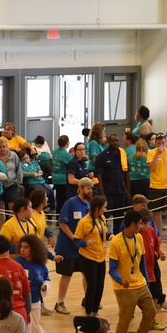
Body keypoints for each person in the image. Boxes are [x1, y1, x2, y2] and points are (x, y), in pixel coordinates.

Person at [108, 210, 158, 333]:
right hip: (124, 287)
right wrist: (120, 279)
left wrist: (147, 282)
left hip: (140, 284)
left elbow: (141, 263)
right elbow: (111, 269)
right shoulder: (116, 242)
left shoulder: (138, 238)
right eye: (140, 224)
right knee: (125, 319)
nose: (142, 227)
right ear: (132, 224)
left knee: (151, 313)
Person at [53, 177, 92, 314]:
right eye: (87, 188)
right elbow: (62, 223)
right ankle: (60, 303)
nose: (90, 190)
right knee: (66, 275)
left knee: (86, 273)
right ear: (80, 189)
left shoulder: (88, 205)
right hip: (67, 247)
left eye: (91, 188)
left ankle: (88, 299)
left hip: (81, 248)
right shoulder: (70, 203)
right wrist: (73, 237)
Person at [73, 195, 110, 316]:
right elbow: (76, 240)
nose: (105, 209)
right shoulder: (84, 222)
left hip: (101, 256)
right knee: (92, 285)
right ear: (97, 208)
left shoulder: (102, 218)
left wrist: (110, 235)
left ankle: (95, 311)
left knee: (100, 285)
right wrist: (86, 243)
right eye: (104, 207)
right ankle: (88, 312)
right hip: (88, 257)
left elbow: (103, 231)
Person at [147, 133, 167, 233]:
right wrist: (157, 154)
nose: (161, 145)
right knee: (157, 212)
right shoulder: (151, 153)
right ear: (155, 142)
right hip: (155, 186)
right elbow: (152, 168)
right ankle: (159, 234)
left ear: (166, 142)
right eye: (159, 143)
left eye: (162, 142)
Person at [50, 135, 73, 212]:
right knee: (65, 200)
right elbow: (73, 164)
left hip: (55, 178)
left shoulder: (55, 151)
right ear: (67, 143)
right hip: (63, 179)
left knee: (59, 199)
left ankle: (58, 218)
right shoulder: (67, 155)